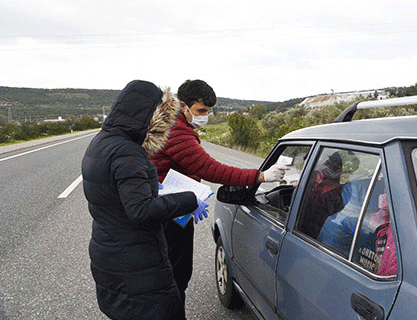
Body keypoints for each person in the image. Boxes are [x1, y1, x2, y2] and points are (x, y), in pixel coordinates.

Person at [149, 79, 287, 307]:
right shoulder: (177, 132)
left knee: (172, 276)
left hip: (170, 208)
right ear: (183, 106)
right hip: (171, 215)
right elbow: (211, 169)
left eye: (208, 111)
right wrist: (260, 176)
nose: (204, 116)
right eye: (200, 110)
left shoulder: (172, 124)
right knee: (175, 277)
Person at [82, 80, 208, 319]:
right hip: (138, 269)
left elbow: (117, 194)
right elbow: (142, 211)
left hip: (109, 257)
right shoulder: (129, 153)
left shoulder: (101, 143)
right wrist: (190, 199)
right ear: (147, 114)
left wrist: (150, 187)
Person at [296, 151, 344, 239]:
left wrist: (301, 188)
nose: (303, 175)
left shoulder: (316, 200)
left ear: (319, 176)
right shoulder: (345, 193)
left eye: (306, 171)